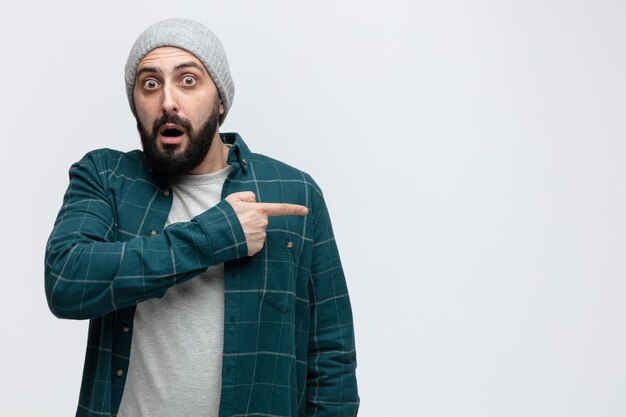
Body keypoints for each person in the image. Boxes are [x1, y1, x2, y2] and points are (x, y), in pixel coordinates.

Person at [45, 18, 358, 417]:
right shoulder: (106, 177)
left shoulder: (293, 191)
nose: (168, 101)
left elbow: (332, 356)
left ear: (221, 101)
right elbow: (67, 280)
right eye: (150, 83)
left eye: (188, 80)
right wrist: (217, 234)